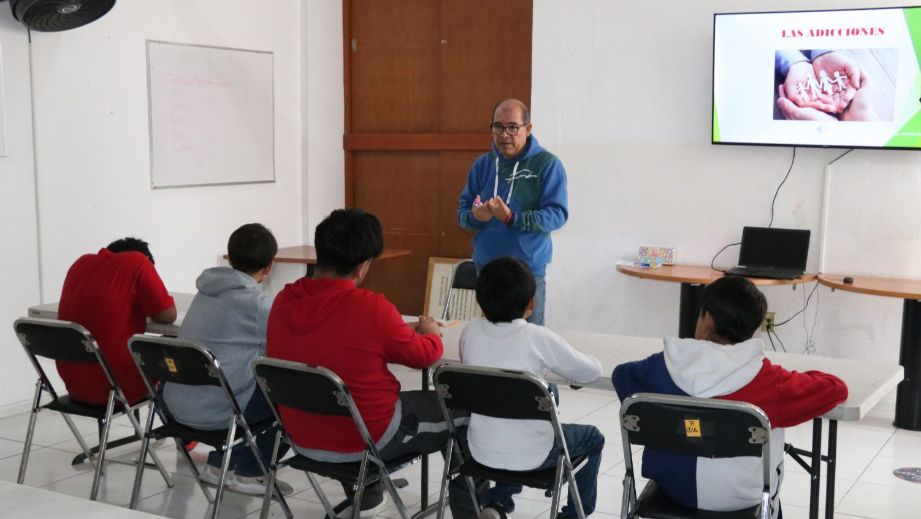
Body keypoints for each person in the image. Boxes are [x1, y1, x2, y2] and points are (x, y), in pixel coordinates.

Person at [266, 208, 472, 518]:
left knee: (349, 398)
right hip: (367, 438)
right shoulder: (370, 308)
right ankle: (473, 509)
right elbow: (424, 356)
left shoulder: (284, 300)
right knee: (464, 409)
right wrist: (432, 333)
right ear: (363, 266)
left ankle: (369, 496)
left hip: (302, 436)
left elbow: (337, 340)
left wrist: (397, 330)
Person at [612, 276, 848, 519]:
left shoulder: (660, 367)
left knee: (692, 430)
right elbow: (836, 388)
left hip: (673, 489)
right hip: (743, 498)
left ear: (707, 318)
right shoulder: (770, 381)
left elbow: (620, 375)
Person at [460, 256, 605, 519]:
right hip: (534, 455)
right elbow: (592, 371)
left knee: (530, 396)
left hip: (480, 450)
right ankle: (573, 515)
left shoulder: (470, 332)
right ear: (531, 303)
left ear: (480, 300)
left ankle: (498, 503)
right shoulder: (538, 337)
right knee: (593, 437)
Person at [161, 223, 290, 495]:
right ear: (270, 266)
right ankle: (248, 471)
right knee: (289, 394)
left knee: (235, 380)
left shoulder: (204, 293)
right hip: (217, 413)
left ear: (229, 258)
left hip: (174, 406)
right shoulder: (259, 305)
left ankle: (219, 465)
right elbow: (284, 350)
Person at [457, 98, 569, 325]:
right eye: (498, 127)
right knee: (491, 335)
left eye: (512, 127)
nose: (504, 134)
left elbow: (557, 215)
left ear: (528, 129)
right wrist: (474, 216)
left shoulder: (547, 164)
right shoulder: (482, 165)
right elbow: (463, 213)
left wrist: (512, 218)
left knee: (530, 337)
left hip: (527, 269)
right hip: (487, 267)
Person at [56, 237, 176, 407]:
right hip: (119, 386)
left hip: (75, 384)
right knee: (174, 346)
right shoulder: (138, 262)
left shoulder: (80, 263)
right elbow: (168, 315)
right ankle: (174, 421)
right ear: (147, 260)